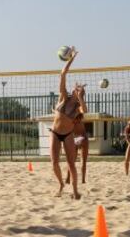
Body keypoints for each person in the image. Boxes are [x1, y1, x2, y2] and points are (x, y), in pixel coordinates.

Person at [49, 49, 87, 199]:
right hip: (55, 133)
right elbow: (63, 74)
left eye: (79, 89)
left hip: (68, 135)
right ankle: (60, 184)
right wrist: (71, 59)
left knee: (71, 164)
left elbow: (84, 109)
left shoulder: (78, 107)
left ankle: (75, 191)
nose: (76, 87)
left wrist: (81, 97)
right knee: (54, 163)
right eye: (76, 87)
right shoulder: (63, 96)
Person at [65, 113, 89, 184]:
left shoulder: (71, 120)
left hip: (78, 138)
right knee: (81, 161)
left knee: (73, 161)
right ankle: (82, 180)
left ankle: (69, 178)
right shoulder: (77, 119)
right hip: (81, 138)